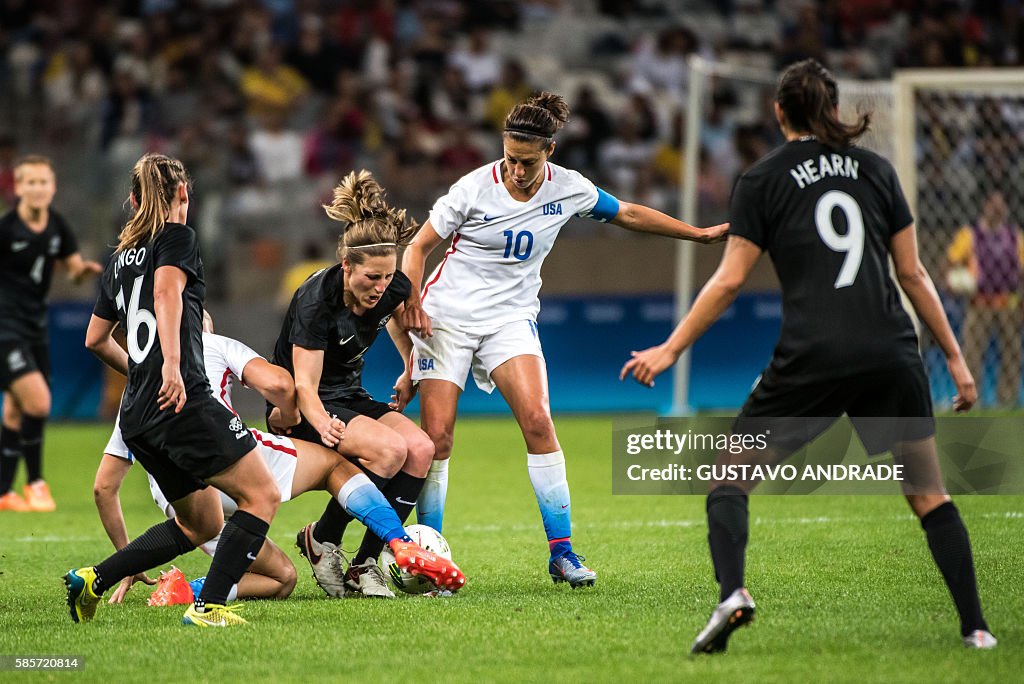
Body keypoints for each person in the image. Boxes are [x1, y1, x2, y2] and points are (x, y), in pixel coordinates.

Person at [621, 59, 996, 652]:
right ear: (833, 108)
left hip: (814, 354)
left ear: (778, 113)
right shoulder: (875, 170)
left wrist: (670, 348)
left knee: (728, 477)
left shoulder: (763, 179)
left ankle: (733, 594)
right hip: (891, 350)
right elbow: (914, 273)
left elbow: (728, 282)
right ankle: (976, 628)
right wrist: (954, 357)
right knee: (929, 493)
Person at [400, 92, 728, 588]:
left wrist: (698, 235)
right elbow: (419, 246)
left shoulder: (568, 188)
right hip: (447, 318)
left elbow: (630, 214)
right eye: (509, 158)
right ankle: (431, 557)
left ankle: (563, 553)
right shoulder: (472, 188)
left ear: (549, 151)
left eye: (526, 161)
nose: (515, 170)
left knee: (538, 420)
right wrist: (412, 303)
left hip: (510, 318)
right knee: (438, 437)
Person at [94, 312, 464, 603]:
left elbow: (104, 487)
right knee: (333, 466)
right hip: (226, 456)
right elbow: (279, 384)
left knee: (282, 578)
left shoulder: (137, 392)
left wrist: (129, 562)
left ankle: (181, 591)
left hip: (178, 495)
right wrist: (287, 414)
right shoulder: (213, 342)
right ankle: (398, 542)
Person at [65, 153, 284, 628]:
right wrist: (170, 368)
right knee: (262, 495)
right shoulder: (177, 237)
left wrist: (142, 372)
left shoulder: (119, 261)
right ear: (184, 194)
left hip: (139, 415)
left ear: (133, 200)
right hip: (180, 398)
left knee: (201, 523)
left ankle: (93, 578)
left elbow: (94, 339)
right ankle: (210, 608)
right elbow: (166, 294)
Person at [273, 169, 437, 599]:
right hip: (301, 408)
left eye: (387, 277)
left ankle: (364, 564)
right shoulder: (316, 301)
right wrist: (323, 425)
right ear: (346, 266)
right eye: (371, 278)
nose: (380, 287)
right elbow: (304, 385)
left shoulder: (391, 284)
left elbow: (400, 312)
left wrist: (407, 366)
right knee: (389, 450)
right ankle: (323, 540)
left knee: (421, 449)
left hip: (349, 396)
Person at [0, 155, 102, 512]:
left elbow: (72, 269)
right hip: (5, 328)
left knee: (15, 409)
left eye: (44, 182)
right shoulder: (7, 229)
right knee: (39, 401)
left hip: (35, 327)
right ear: (19, 187)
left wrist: (82, 273)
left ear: (53, 187)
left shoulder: (57, 225)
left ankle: (4, 492)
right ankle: (36, 484)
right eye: (30, 182)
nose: (38, 188)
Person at [945, 188, 1024, 407]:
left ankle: (1007, 399)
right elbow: (950, 263)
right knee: (972, 352)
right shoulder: (970, 235)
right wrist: (959, 280)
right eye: (994, 205)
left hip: (1008, 302)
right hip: (978, 302)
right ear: (985, 207)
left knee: (1011, 353)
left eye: (1001, 205)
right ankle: (970, 396)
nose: (998, 210)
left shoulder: (1014, 236)